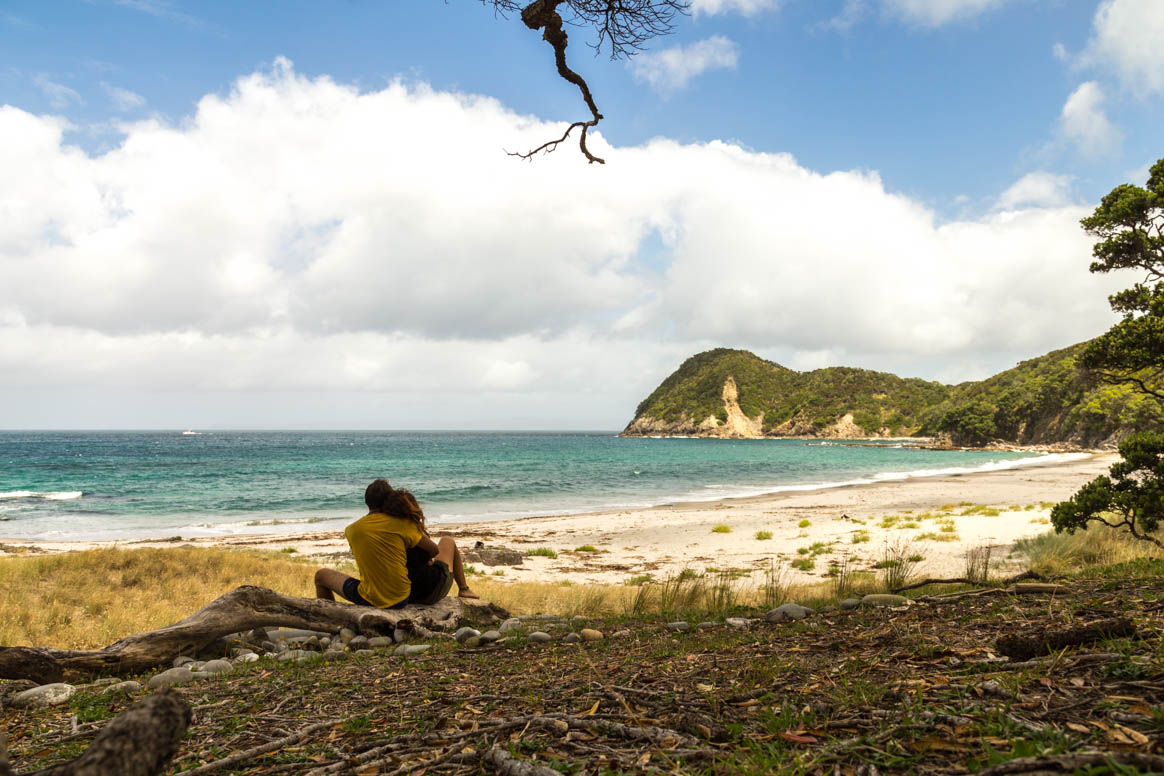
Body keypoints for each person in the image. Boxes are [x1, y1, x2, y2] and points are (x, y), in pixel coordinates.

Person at [314, 478, 479, 608]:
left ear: (367, 502)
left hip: (367, 597)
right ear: (388, 501)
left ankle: (329, 615)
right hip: (401, 597)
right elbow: (434, 550)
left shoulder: (351, 530)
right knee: (448, 541)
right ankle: (464, 589)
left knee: (321, 576)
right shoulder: (401, 524)